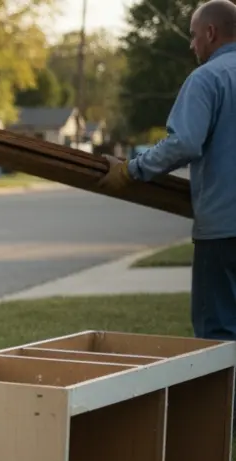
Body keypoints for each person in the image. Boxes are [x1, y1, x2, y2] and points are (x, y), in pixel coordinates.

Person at [99, 0, 236, 340]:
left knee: (218, 335)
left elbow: (185, 143)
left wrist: (131, 171)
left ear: (210, 32)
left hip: (224, 231)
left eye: (193, 36)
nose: (191, 45)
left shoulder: (208, 78)